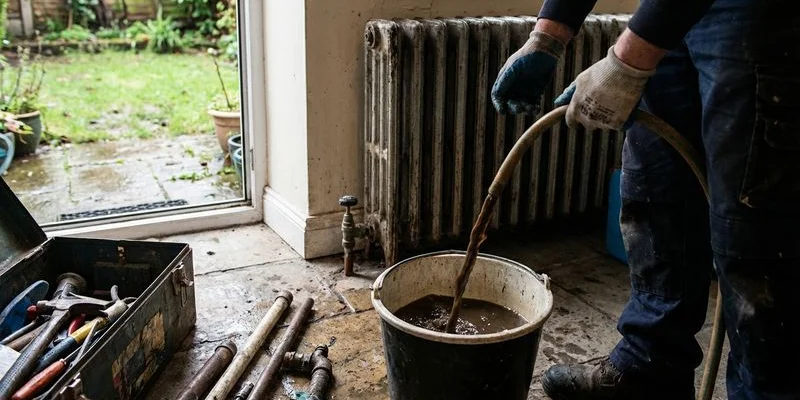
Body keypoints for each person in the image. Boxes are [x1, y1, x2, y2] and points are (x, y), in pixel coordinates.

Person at [491, 0, 800, 399]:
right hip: (675, 14)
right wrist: (549, 34)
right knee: (656, 189)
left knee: (755, 242)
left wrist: (628, 61)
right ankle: (649, 368)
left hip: (765, 16)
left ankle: (768, 389)